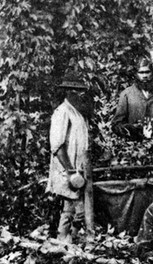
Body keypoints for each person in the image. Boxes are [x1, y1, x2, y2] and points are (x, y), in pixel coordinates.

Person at [46, 72, 91, 243]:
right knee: (70, 208)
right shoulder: (62, 112)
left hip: (78, 169)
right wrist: (71, 171)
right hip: (67, 169)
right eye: (75, 91)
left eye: (81, 91)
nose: (80, 95)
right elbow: (57, 146)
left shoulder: (78, 114)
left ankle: (71, 239)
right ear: (68, 92)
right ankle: (62, 238)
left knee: (77, 209)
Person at [112, 57, 153, 138]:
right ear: (136, 74)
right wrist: (135, 128)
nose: (145, 76)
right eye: (141, 72)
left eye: (147, 72)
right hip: (133, 145)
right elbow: (117, 125)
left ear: (152, 73)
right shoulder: (126, 94)